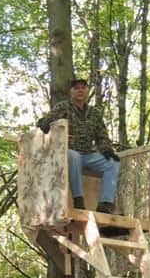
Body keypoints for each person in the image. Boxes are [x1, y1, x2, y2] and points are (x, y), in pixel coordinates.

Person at [37, 78, 120, 213]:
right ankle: (78, 199)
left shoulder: (95, 113)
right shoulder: (62, 107)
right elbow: (47, 121)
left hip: (88, 154)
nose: (80, 90)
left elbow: (102, 136)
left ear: (87, 91)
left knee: (113, 161)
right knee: (74, 156)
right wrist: (44, 123)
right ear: (71, 92)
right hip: (66, 153)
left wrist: (107, 150)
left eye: (83, 87)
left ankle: (105, 204)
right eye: (76, 88)